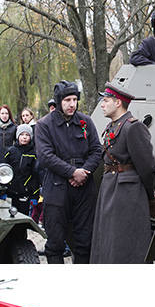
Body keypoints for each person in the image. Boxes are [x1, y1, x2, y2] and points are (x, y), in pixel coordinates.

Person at [35, 79, 102, 263]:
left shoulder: (85, 122)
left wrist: (84, 171)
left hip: (84, 189)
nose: (72, 104)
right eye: (67, 100)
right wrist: (72, 172)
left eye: (74, 100)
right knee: (55, 241)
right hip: (56, 188)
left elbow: (97, 150)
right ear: (58, 102)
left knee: (84, 241)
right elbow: (45, 156)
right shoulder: (44, 125)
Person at [90, 81, 155, 264]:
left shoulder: (133, 127)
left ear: (117, 102)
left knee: (125, 242)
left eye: (106, 101)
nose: (102, 105)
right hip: (110, 188)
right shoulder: (113, 126)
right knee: (108, 240)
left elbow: (147, 166)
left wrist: (149, 193)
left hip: (127, 192)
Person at [3, 124, 40, 215]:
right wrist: (3, 190)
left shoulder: (33, 154)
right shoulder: (10, 151)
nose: (24, 137)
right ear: (17, 136)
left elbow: (35, 175)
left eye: (27, 135)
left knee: (22, 219)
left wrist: (35, 195)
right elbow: (3, 171)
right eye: (22, 134)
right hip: (10, 192)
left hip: (25, 192)